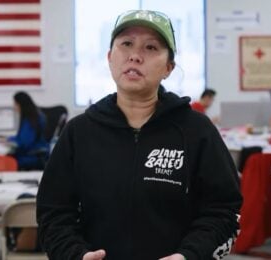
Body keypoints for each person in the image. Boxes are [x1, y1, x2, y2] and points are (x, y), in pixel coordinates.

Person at [36, 10, 242, 260]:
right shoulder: (79, 133)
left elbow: (223, 211)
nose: (135, 55)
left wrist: (189, 255)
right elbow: (53, 213)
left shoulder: (197, 131)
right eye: (126, 44)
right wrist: (75, 254)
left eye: (151, 47)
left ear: (168, 67)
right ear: (110, 57)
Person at [7, 91, 49, 170]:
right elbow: (21, 138)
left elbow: (24, 143)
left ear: (21, 105)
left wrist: (9, 143)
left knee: (6, 161)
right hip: (30, 154)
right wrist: (8, 139)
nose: (14, 107)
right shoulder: (32, 117)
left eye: (16, 104)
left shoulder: (31, 120)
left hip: (32, 157)